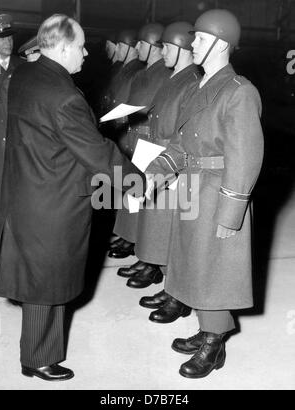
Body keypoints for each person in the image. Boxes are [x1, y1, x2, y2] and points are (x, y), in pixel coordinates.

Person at [0, 14, 145, 382]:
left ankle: (36, 353)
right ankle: (38, 359)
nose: (86, 52)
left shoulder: (28, 75)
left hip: (28, 191)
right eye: (80, 46)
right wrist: (135, 180)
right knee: (50, 281)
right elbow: (97, 153)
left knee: (41, 282)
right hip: (55, 201)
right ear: (62, 47)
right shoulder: (64, 95)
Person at [146, 9, 264, 378]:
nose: (192, 43)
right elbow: (183, 143)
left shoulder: (239, 92)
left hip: (217, 192)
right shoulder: (200, 86)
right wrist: (160, 169)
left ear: (220, 43)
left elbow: (245, 157)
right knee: (195, 263)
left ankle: (214, 345)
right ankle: (207, 329)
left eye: (199, 38)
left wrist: (232, 213)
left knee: (213, 268)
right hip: (193, 188)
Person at [118, 22, 200, 300]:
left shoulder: (190, 81)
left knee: (169, 227)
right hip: (156, 153)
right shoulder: (176, 77)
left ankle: (174, 290)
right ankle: (162, 276)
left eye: (167, 46)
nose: (161, 51)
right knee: (155, 221)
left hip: (170, 159)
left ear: (180, 48)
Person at [109, 23, 171, 264]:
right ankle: (130, 236)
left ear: (154, 46)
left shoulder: (164, 75)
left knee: (146, 197)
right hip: (135, 136)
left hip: (149, 140)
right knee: (133, 193)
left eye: (142, 44)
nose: (138, 48)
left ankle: (145, 251)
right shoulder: (143, 73)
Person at [0, 14, 22, 228]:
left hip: (16, 145)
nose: (8, 42)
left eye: (10, 37)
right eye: (2, 37)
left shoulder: (22, 66)